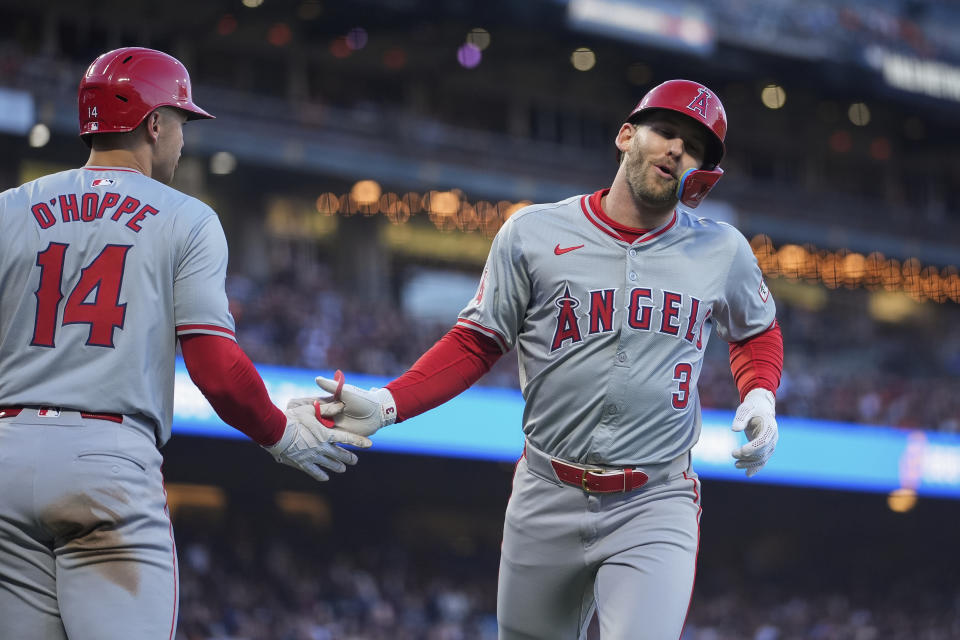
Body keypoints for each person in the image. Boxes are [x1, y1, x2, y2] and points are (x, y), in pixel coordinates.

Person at [304, 79, 784, 639]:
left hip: (655, 498)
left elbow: (758, 332)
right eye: (667, 132)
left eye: (696, 148)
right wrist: (390, 402)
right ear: (626, 135)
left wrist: (759, 394)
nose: (679, 150)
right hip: (544, 491)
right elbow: (475, 342)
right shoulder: (533, 232)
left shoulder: (721, 248)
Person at [0, 47, 370, 640]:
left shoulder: (9, 209)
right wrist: (277, 432)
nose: (182, 139)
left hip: (6, 456)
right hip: (107, 462)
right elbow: (216, 368)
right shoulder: (186, 217)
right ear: (153, 123)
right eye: (180, 122)